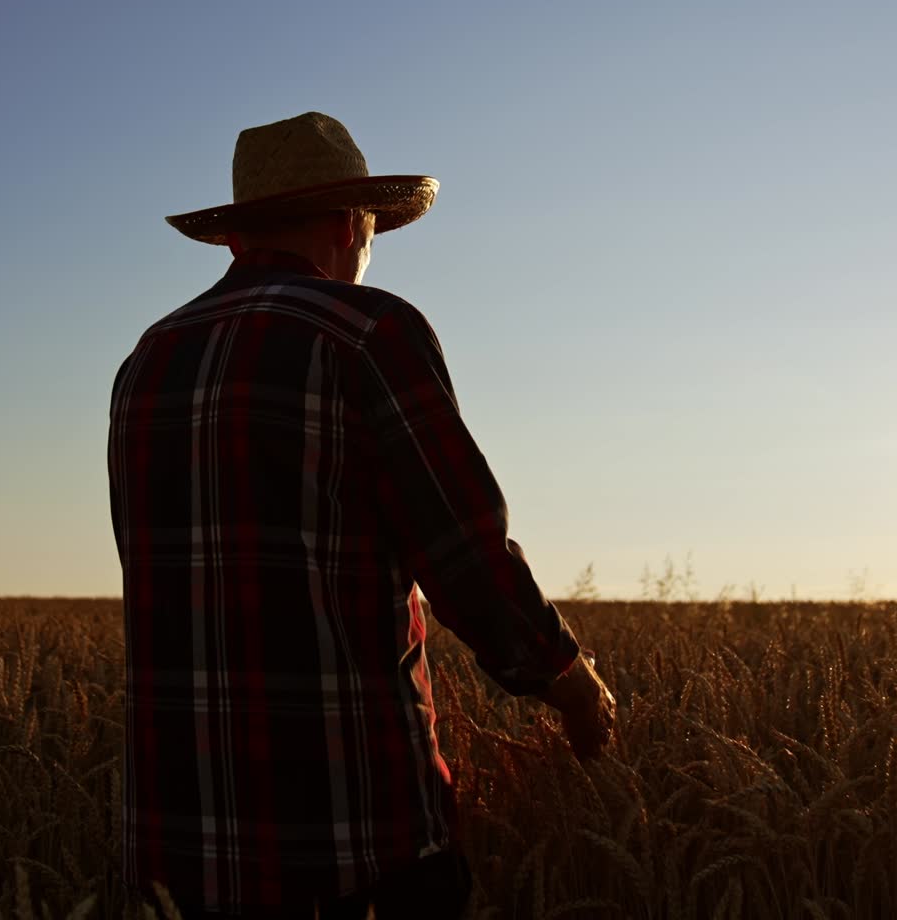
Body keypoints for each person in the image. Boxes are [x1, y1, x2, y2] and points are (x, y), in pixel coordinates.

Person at [108, 112, 616, 919]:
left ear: (238, 238)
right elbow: (464, 554)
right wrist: (565, 680)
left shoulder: (147, 359)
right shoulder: (369, 332)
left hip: (180, 840)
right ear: (352, 224)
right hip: (353, 835)